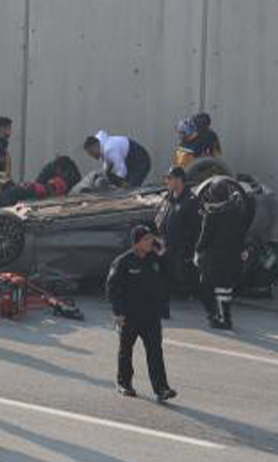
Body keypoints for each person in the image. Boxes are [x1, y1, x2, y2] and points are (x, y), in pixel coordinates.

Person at [107, 225, 177, 402]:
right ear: (136, 243)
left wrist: (164, 254)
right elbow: (113, 289)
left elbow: (171, 275)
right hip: (129, 315)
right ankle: (124, 383)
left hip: (151, 315)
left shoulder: (155, 259)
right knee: (126, 351)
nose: (150, 242)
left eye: (151, 238)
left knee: (155, 352)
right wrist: (118, 313)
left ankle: (161, 389)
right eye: (146, 239)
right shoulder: (123, 262)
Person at [194, 177, 248, 330]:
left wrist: (197, 251)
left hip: (214, 257)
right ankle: (225, 317)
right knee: (225, 288)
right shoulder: (236, 212)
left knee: (206, 286)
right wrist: (243, 249)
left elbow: (205, 237)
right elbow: (241, 234)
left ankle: (218, 316)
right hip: (232, 256)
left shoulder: (211, 214)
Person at [155, 166, 202, 309]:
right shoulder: (169, 198)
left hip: (183, 248)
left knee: (182, 275)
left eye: (169, 178)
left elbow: (197, 227)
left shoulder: (190, 201)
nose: (167, 181)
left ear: (179, 180)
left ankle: (187, 294)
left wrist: (193, 248)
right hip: (167, 244)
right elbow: (161, 217)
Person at [84, 131, 151, 188]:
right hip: (130, 158)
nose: (92, 156)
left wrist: (119, 184)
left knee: (131, 186)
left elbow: (122, 170)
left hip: (140, 160)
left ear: (95, 146)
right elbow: (106, 166)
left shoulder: (110, 149)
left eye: (91, 152)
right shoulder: (102, 145)